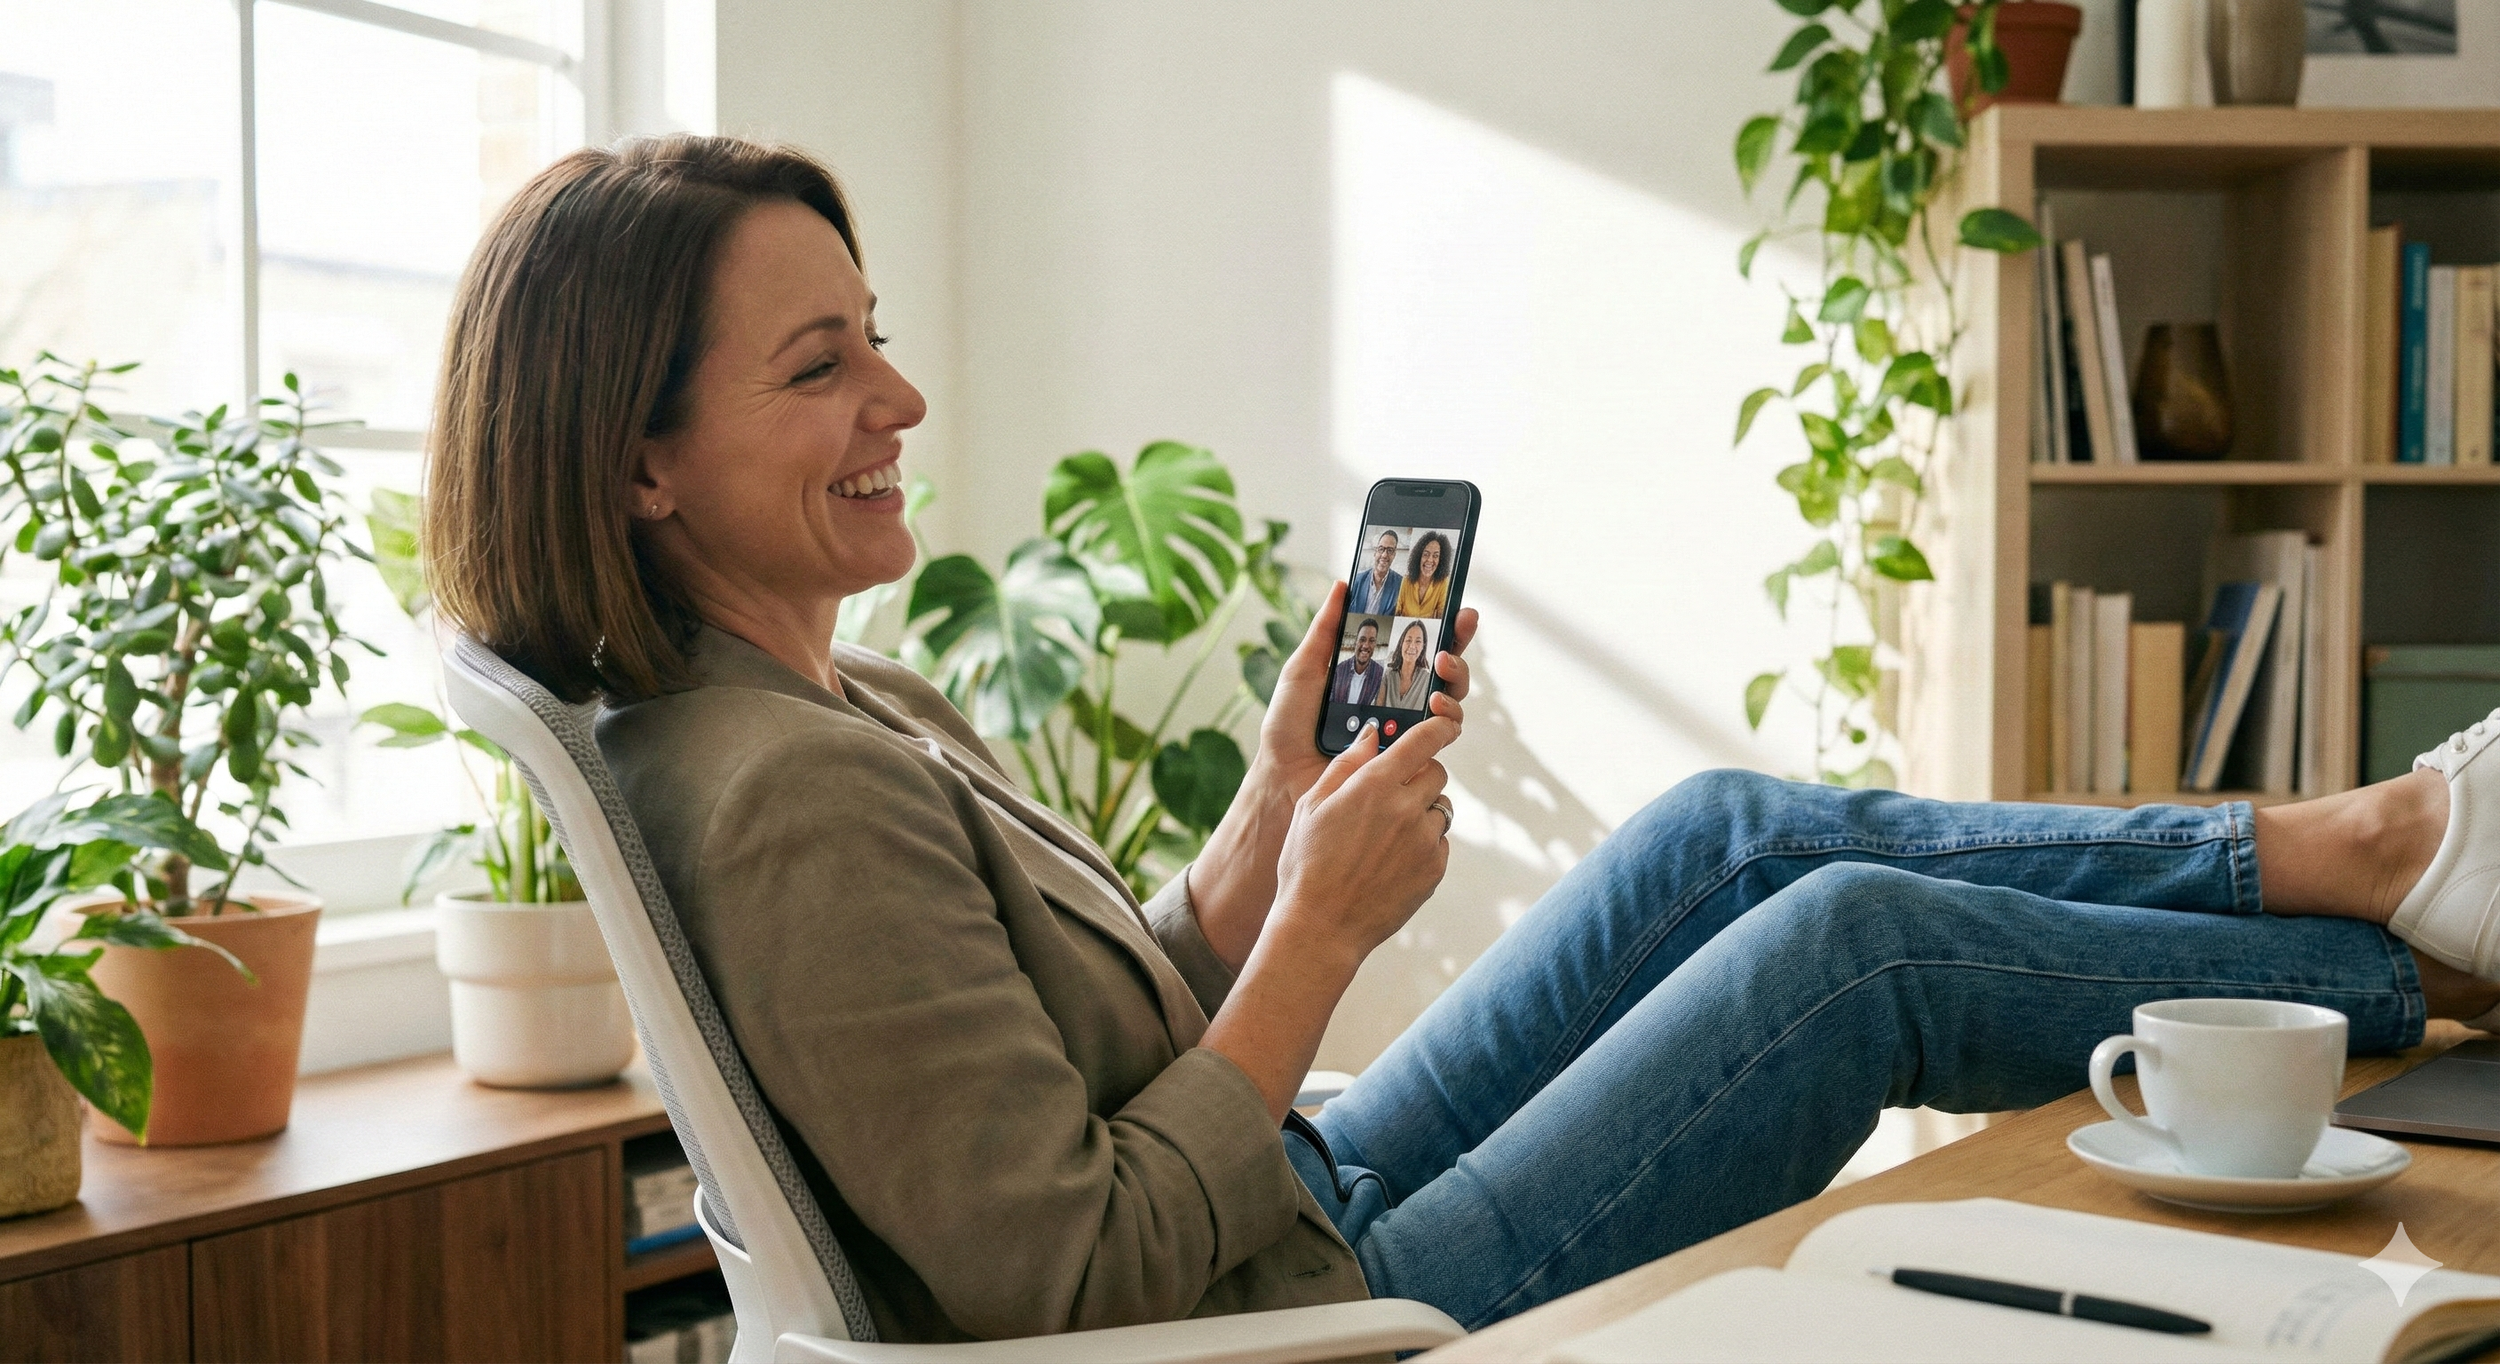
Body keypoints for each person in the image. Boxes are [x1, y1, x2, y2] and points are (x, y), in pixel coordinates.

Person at [425, 134, 2500, 1345]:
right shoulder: (783, 802)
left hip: (1284, 1198)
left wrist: (1260, 829)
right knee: (1849, 946)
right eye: (818, 365)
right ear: (637, 467)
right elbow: (1069, 1274)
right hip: (1282, 1311)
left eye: (876, 335)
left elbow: (1087, 1033)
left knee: (1717, 828)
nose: (897, 399)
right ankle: (2418, 954)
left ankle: (2349, 849)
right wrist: (1322, 933)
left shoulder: (842, 695)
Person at [1395, 531, 1452, 618]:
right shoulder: (1406, 580)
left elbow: (1442, 615)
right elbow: (1396, 611)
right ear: (1418, 557)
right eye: (1426, 554)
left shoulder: (1443, 582)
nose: (1430, 560)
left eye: (1436, 556)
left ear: (1441, 560)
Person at [1331, 618, 1387, 706]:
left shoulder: (1379, 673)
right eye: (1362, 639)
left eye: (1371, 641)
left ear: (1375, 644)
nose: (1366, 645)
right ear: (1356, 642)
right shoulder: (1339, 670)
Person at [1384, 619, 1435, 711]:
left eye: (1418, 641)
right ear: (1401, 643)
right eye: (1408, 640)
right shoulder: (1387, 675)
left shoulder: (1428, 679)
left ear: (1423, 646)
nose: (1412, 646)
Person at [1352, 530, 1403, 614]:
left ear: (1394, 555)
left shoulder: (1401, 585)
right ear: (1375, 552)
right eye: (1381, 549)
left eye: (1390, 550)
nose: (1384, 555)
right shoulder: (1357, 580)